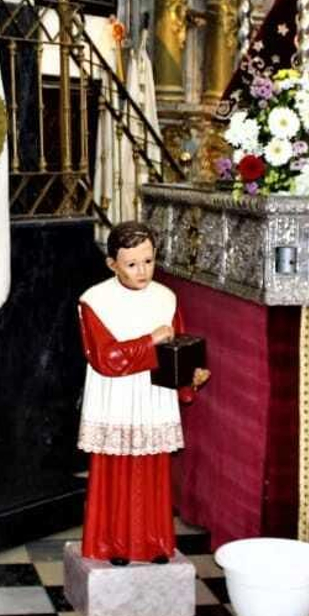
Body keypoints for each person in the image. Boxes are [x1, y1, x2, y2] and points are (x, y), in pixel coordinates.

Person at [77, 220, 208, 565]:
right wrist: (149, 340)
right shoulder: (95, 301)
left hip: (152, 396)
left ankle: (153, 542)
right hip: (115, 396)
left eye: (149, 261)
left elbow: (177, 348)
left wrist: (190, 377)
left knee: (153, 471)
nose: (142, 271)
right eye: (132, 264)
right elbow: (106, 358)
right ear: (112, 264)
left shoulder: (166, 298)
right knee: (115, 471)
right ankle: (112, 543)